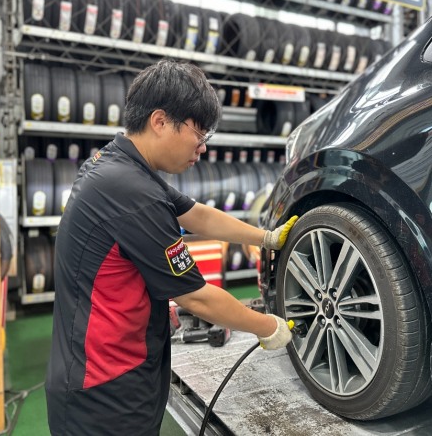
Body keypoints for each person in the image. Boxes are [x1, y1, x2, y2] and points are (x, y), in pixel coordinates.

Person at [45, 59, 298, 435]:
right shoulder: (132, 193)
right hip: (105, 392)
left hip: (110, 371)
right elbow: (196, 298)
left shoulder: (118, 165)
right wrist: (267, 326)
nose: (202, 148)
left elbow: (197, 215)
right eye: (199, 134)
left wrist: (265, 237)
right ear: (160, 121)